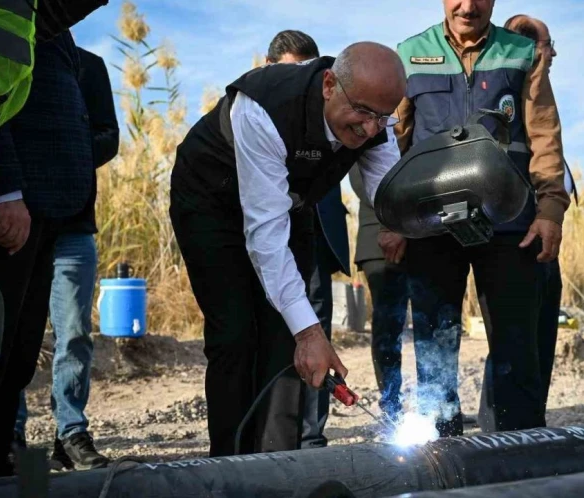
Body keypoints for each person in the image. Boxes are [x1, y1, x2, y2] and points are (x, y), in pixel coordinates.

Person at [169, 42, 406, 456]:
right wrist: (311, 331)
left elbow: (389, 192)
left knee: (286, 341)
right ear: (330, 85)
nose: (371, 129)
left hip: (290, 203)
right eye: (364, 113)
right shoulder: (266, 107)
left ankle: (276, 461)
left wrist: (417, 218)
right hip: (211, 200)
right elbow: (265, 236)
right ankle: (230, 464)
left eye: (383, 117)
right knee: (235, 333)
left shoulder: (376, 122)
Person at [395, 0, 569, 437]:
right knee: (435, 346)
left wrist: (550, 210)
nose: (467, 6)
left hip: (510, 224)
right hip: (431, 225)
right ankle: (440, 455)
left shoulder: (522, 53)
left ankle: (519, 451)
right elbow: (390, 145)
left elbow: (544, 136)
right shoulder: (408, 53)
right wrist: (391, 221)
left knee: (517, 349)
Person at [0, 0, 108, 480]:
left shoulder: (69, 55)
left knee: (18, 349)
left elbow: (95, 133)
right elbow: (3, 126)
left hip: (62, 211)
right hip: (14, 206)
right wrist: (8, 187)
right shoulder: (26, 44)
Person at [13, 46, 119, 471]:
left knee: (74, 334)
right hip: (16, 221)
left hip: (74, 226)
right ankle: (12, 436)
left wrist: (62, 154)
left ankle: (70, 433)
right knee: (15, 334)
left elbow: (108, 135)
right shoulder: (17, 54)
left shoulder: (89, 65)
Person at [262, 29, 350, 450]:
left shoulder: (331, 111)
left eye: (306, 72)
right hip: (268, 239)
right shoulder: (256, 113)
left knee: (317, 328)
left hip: (318, 236)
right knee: (275, 329)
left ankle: (312, 436)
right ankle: (272, 436)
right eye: (288, 72)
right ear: (266, 68)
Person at [503, 13, 578, 408]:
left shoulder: (539, 96)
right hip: (522, 232)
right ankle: (511, 429)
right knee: (520, 343)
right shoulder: (514, 94)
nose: (552, 54)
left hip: (543, 227)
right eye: (549, 46)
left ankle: (527, 419)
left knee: (536, 338)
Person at [349, 166, 410, 427]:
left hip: (429, 234)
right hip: (379, 238)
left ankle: (441, 406)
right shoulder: (373, 127)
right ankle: (391, 408)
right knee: (388, 329)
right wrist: (395, 220)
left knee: (437, 325)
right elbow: (362, 178)